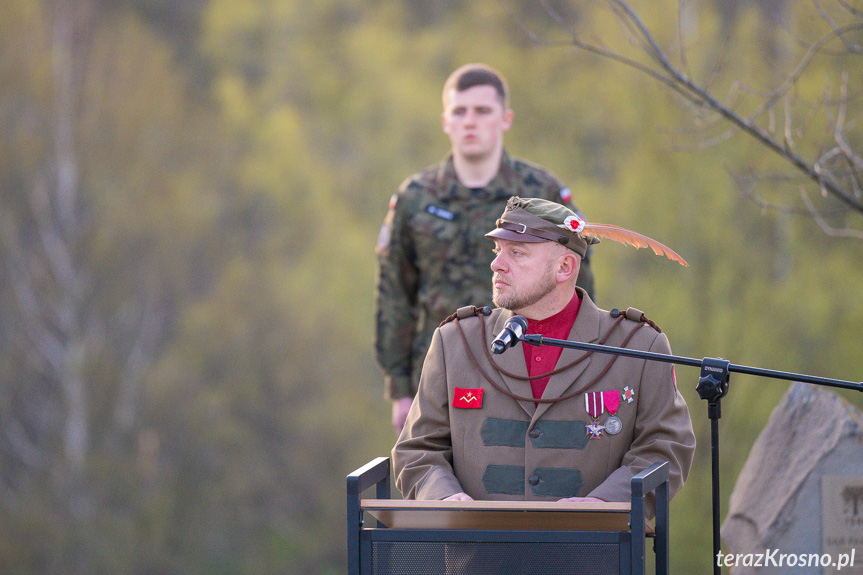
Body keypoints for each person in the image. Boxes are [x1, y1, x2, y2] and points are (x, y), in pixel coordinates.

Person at [392, 197, 695, 513]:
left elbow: (665, 451)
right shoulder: (455, 342)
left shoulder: (638, 347)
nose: (497, 264)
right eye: (498, 251)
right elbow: (417, 451)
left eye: (517, 253)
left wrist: (605, 504)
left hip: (589, 555)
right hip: (476, 554)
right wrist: (443, 497)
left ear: (565, 267)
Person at [375, 63, 595, 435]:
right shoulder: (416, 197)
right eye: (459, 112)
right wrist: (400, 389)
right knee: (435, 482)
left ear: (505, 118)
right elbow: (395, 293)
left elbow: (577, 286)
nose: (470, 122)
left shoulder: (543, 192)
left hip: (527, 373)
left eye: (482, 111)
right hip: (437, 374)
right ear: (445, 121)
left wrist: (575, 373)